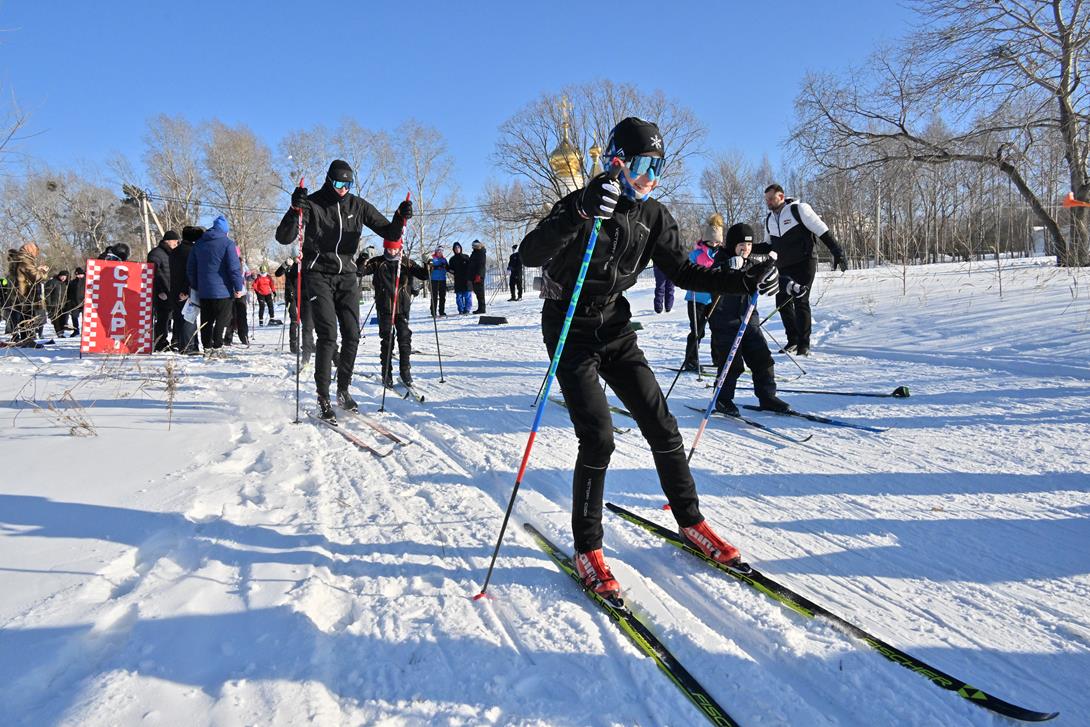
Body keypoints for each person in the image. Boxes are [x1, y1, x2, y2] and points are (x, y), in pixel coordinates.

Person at [519, 116, 779, 597]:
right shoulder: (587, 204)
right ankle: (588, 547)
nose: (650, 176)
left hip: (614, 326)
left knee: (662, 424)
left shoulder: (653, 216)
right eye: (642, 164)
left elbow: (684, 273)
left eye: (658, 166)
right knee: (597, 437)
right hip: (568, 326)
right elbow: (531, 253)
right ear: (616, 160)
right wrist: (576, 210)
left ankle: (690, 520)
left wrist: (741, 279)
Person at [274, 159, 411, 420]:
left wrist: (400, 216)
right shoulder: (312, 203)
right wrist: (294, 210)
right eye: (338, 183)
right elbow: (283, 237)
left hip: (347, 276)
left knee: (352, 335)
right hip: (318, 275)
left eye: (348, 184)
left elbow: (389, 232)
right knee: (328, 335)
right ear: (328, 180)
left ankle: (343, 390)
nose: (343, 189)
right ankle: (323, 396)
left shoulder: (358, 206)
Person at [708, 223, 791, 416]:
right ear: (731, 245)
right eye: (741, 246)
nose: (746, 249)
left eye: (749, 245)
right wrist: (727, 267)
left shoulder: (751, 263)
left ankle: (767, 396)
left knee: (762, 359)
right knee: (732, 364)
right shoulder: (721, 260)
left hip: (749, 318)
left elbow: (769, 275)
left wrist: (789, 286)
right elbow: (713, 276)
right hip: (724, 320)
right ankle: (723, 399)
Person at [754, 184, 845, 356]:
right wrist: (747, 247)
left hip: (805, 262)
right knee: (781, 303)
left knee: (800, 300)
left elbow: (821, 230)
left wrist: (837, 251)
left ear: (781, 196)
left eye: (771, 199)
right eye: (766, 200)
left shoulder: (799, 209)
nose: (768, 202)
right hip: (783, 265)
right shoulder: (769, 220)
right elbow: (768, 245)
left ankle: (804, 344)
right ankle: (793, 341)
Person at [362, 237, 429, 393]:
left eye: (395, 249)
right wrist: (363, 257)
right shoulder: (378, 262)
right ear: (385, 248)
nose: (392, 252)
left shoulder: (406, 262)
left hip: (402, 307)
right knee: (387, 339)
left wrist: (428, 263)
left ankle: (405, 372)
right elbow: (360, 271)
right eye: (389, 249)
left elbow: (424, 275)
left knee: (404, 338)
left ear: (400, 248)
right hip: (385, 307)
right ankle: (387, 373)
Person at [187, 216, 244, 356]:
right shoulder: (227, 244)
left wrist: (196, 285)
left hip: (204, 291)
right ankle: (217, 347)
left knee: (206, 320)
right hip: (223, 291)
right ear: (225, 231)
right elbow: (234, 268)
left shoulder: (199, 244)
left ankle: (207, 347)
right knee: (222, 319)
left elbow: (190, 268)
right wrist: (238, 287)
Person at [681, 214, 724, 371]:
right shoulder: (696, 254)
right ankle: (691, 360)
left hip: (715, 297)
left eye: (717, 241)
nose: (713, 244)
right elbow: (686, 271)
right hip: (696, 298)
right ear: (705, 240)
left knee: (718, 329)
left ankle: (718, 358)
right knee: (698, 330)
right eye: (710, 241)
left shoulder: (721, 255)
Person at [5, 243, 50, 346]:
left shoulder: (17, 259)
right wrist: (43, 271)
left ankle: (21, 339)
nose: (36, 254)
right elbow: (36, 277)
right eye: (35, 252)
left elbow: (24, 275)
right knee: (27, 317)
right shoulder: (25, 261)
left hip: (17, 294)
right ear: (31, 250)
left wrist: (36, 268)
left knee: (21, 317)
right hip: (25, 294)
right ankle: (28, 340)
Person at [148, 230, 180, 351]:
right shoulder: (156, 254)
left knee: (171, 317)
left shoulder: (169, 253)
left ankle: (172, 342)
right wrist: (160, 290)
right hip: (161, 292)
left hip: (171, 290)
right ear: (168, 241)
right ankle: (160, 343)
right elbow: (153, 273)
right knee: (162, 319)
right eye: (175, 242)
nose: (176, 244)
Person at [275, 258, 314, 357]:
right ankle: (293, 344)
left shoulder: (305, 262)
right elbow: (278, 273)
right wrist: (285, 264)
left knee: (307, 321)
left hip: (303, 295)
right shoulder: (290, 263)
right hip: (291, 296)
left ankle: (309, 343)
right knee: (294, 320)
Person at [175, 226, 203, 354]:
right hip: (187, 289)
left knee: (181, 318)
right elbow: (189, 272)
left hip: (175, 288)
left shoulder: (176, 250)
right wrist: (186, 290)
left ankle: (185, 345)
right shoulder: (192, 251)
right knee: (189, 318)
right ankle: (189, 347)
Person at [223, 246, 251, 346]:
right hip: (230, 292)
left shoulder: (242, 264)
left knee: (241, 315)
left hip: (240, 293)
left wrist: (251, 276)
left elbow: (248, 275)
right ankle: (228, 338)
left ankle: (244, 337)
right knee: (230, 316)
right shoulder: (226, 263)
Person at [447, 242, 472, 314]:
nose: (457, 249)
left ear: (460, 248)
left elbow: (471, 266)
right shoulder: (452, 259)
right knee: (459, 296)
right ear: (453, 249)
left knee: (467, 296)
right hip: (458, 280)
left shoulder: (466, 257)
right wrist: (447, 268)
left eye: (458, 247)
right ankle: (461, 310)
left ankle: (467, 309)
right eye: (455, 248)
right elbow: (451, 270)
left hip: (467, 280)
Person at [44, 270, 71, 337]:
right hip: (53, 304)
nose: (63, 278)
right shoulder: (52, 282)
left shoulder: (65, 283)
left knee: (63, 318)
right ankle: (59, 332)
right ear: (59, 275)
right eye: (62, 276)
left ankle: (61, 331)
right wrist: (49, 304)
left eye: (65, 277)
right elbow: (47, 294)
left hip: (63, 304)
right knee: (55, 319)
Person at [428, 246, 449, 317]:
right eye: (438, 251)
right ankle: (433, 312)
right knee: (434, 296)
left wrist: (445, 266)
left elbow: (448, 268)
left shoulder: (444, 259)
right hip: (434, 279)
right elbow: (429, 267)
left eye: (441, 251)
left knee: (442, 296)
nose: (440, 252)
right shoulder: (432, 258)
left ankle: (441, 311)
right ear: (436, 251)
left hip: (443, 279)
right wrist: (437, 267)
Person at [65, 267, 86, 338]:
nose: (78, 276)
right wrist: (69, 302)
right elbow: (69, 293)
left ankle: (85, 331)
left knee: (86, 318)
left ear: (83, 274)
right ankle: (76, 330)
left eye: (80, 274)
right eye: (77, 274)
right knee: (74, 317)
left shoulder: (87, 281)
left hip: (85, 303)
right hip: (74, 304)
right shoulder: (72, 282)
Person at [469, 239, 487, 314]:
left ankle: (482, 308)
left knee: (480, 292)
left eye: (476, 245)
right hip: (474, 275)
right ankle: (480, 307)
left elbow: (481, 265)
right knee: (477, 292)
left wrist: (478, 275)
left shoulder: (481, 253)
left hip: (479, 276)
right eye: (474, 245)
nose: (475, 247)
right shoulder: (474, 253)